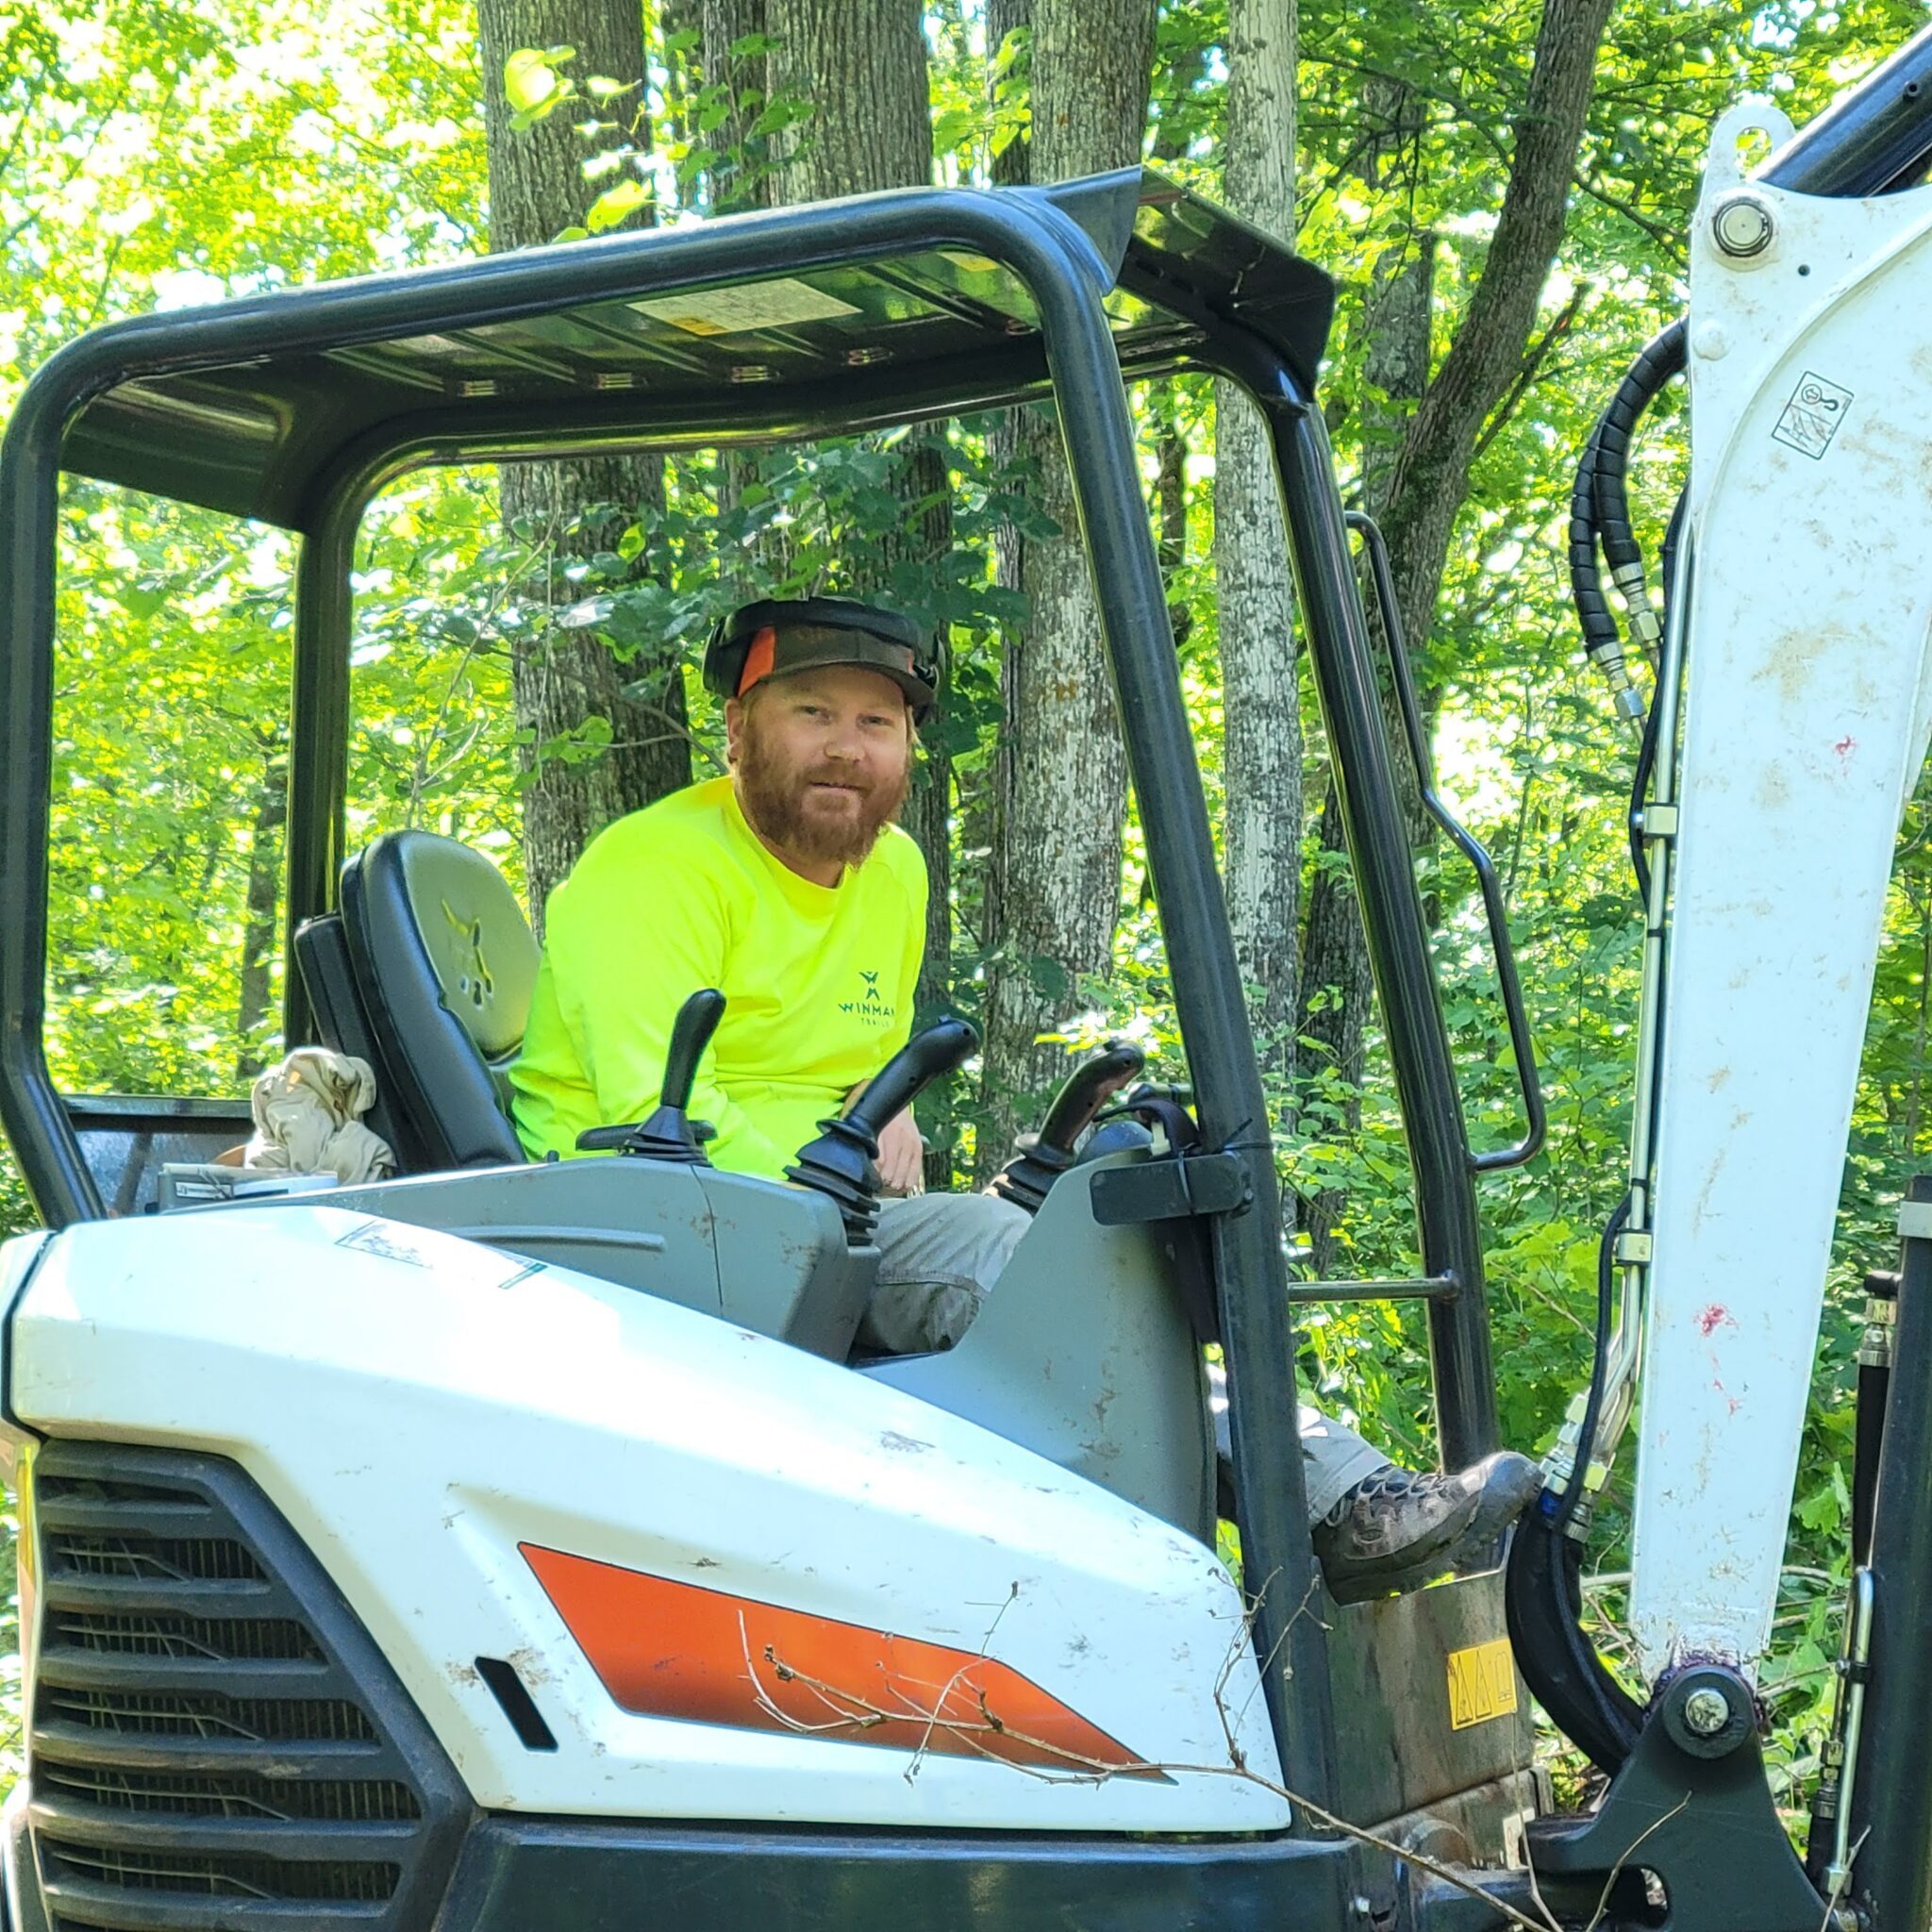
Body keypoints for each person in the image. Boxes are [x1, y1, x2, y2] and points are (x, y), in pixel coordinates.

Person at [510, 594, 1539, 1601]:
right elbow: (659, 1117)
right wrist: (845, 1183)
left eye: (875, 722)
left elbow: (859, 1050)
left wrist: (884, 1102)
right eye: (811, 712)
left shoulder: (892, 870)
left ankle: (1259, 1548)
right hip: (648, 1225)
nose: (845, 749)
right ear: (738, 729)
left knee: (1101, 1242)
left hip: (813, 1210)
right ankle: (1338, 1505)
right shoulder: (650, 870)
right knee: (1018, 1265)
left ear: (908, 746)